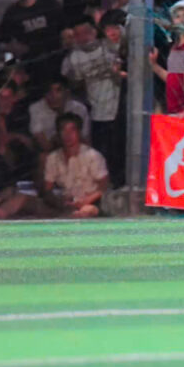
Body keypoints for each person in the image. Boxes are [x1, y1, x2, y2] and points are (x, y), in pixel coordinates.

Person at [61, 15, 124, 186]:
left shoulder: (110, 46)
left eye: (87, 32)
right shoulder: (73, 58)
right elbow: (71, 83)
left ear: (95, 31)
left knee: (121, 153)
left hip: (120, 110)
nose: (84, 37)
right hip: (97, 114)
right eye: (78, 34)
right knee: (103, 156)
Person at [0, 0, 65, 90]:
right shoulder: (12, 13)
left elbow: (65, 27)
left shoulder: (49, 3)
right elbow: (1, 39)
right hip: (32, 67)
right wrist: (14, 51)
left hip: (57, 61)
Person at [42, 113, 107, 218]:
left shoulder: (93, 156)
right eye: (63, 130)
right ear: (58, 134)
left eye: (72, 130)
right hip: (65, 204)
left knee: (85, 211)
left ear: (79, 133)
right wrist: (59, 202)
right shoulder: (52, 158)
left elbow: (104, 186)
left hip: (92, 203)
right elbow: (47, 190)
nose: (67, 135)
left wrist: (86, 201)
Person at [28, 76, 90, 154]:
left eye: (58, 91)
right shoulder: (35, 109)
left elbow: (86, 141)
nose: (53, 96)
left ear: (67, 93)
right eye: (49, 92)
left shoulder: (79, 109)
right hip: (51, 153)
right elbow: (45, 145)